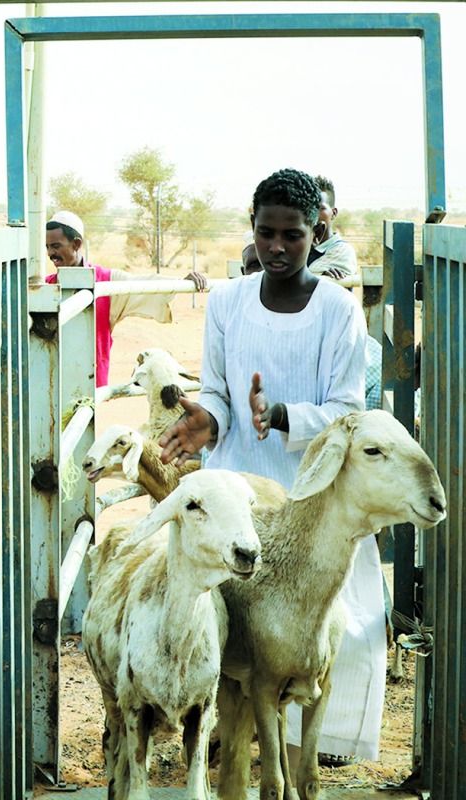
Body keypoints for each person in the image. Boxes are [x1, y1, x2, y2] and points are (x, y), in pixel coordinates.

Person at [159, 168, 381, 766]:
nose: (277, 248)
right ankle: (223, 742)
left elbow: (348, 412)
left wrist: (281, 414)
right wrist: (209, 418)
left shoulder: (338, 311)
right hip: (241, 491)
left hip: (310, 498)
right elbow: (217, 391)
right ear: (251, 231)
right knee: (231, 624)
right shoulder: (229, 301)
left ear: (318, 232)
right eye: (266, 234)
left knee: (323, 630)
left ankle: (306, 749)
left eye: (293, 235)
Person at [44, 209, 209, 386]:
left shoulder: (106, 282)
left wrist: (180, 284)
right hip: (52, 381)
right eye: (47, 247)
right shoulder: (46, 286)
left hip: (90, 382)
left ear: (76, 244)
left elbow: (143, 285)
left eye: (56, 246)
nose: (50, 253)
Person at [309, 174, 358, 279]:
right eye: (308, 207)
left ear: (334, 213)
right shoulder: (302, 245)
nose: (312, 213)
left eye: (319, 208)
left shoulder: (342, 251)